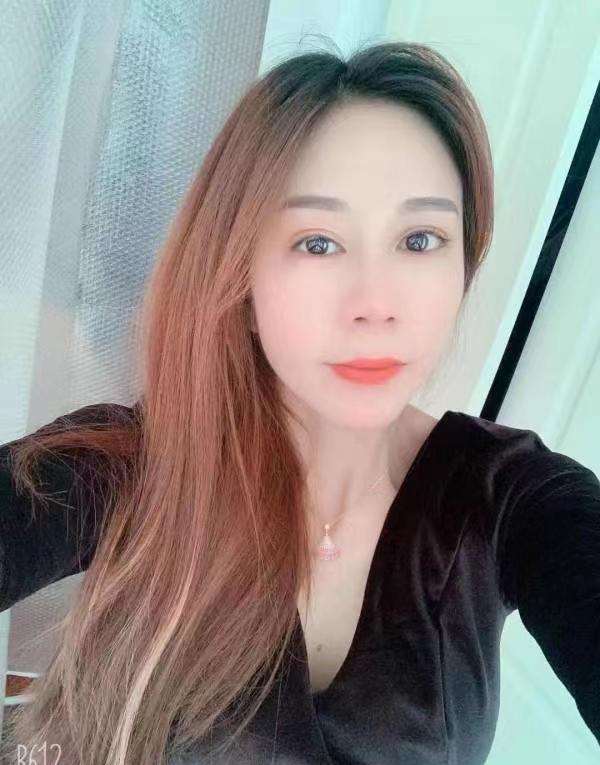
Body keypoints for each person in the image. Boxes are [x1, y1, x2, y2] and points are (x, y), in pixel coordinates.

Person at [1, 41, 598, 765]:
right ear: (238, 277)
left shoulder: (514, 498)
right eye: (318, 243)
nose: (376, 303)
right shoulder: (130, 465)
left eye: (420, 239)